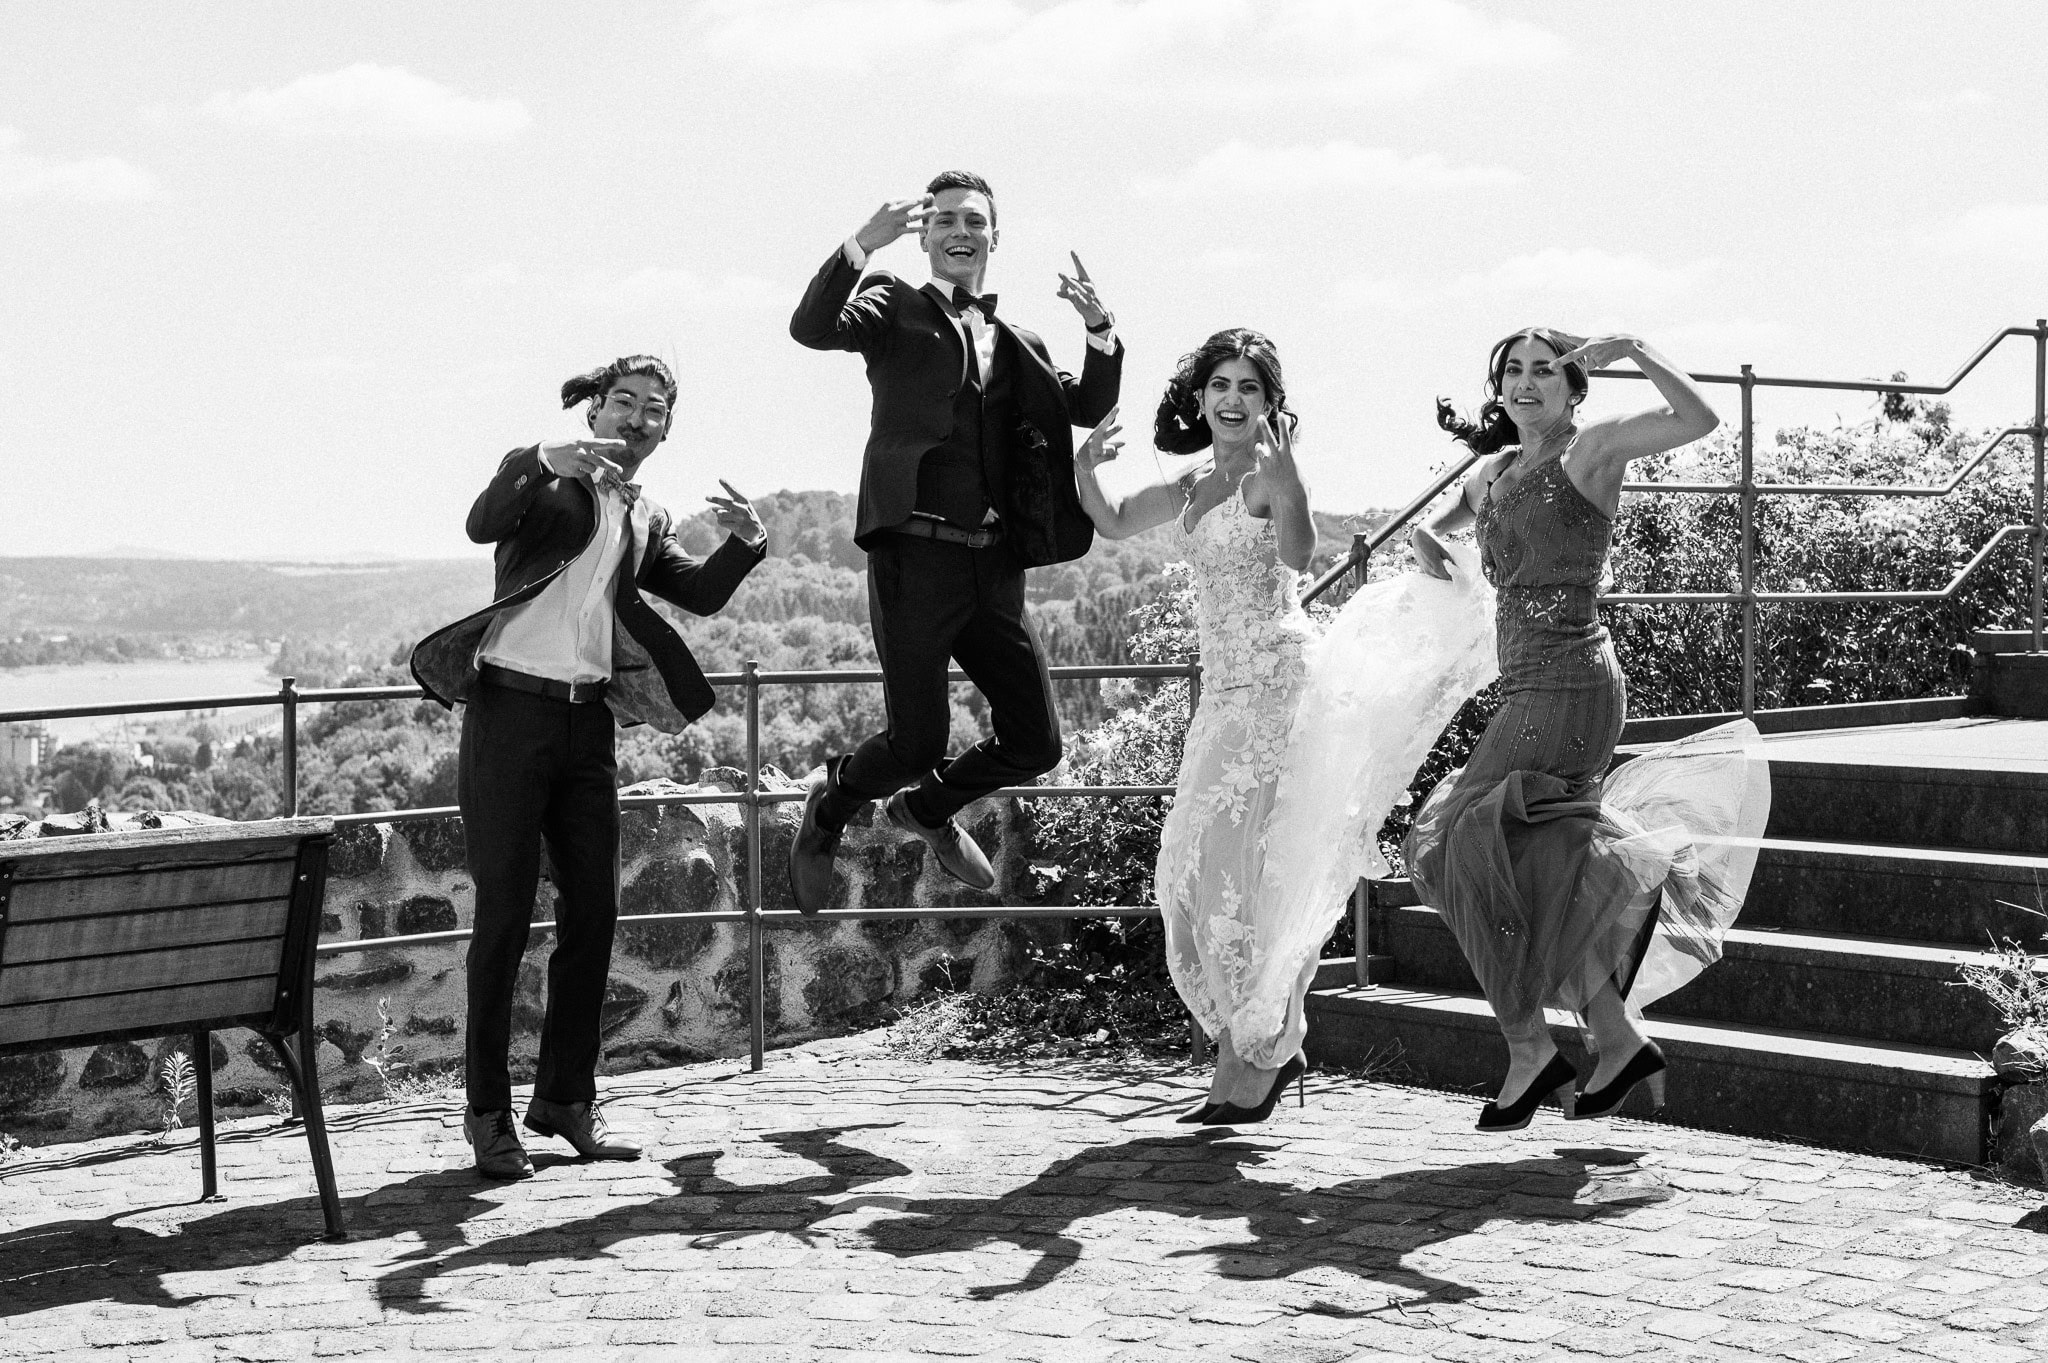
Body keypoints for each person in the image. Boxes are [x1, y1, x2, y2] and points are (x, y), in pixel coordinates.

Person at [411, 355, 767, 1179]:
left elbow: (698, 592)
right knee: (504, 917)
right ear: (596, 410)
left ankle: (566, 1098)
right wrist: (542, 457)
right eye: (624, 402)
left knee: (597, 912)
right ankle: (487, 1113)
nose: (637, 417)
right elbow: (480, 521)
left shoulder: (645, 516)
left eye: (655, 408)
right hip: (508, 714)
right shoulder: (547, 481)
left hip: (587, 727)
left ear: (665, 429)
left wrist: (748, 542)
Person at [1406, 328, 1770, 1131]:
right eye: (1513, 370)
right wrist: (1426, 536)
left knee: (1452, 839)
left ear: (1573, 390)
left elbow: (1700, 418)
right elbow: (1450, 517)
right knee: (1537, 859)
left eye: (1545, 370)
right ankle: (1615, 1036)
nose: (1526, 382)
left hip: (1571, 681)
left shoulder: (1591, 450)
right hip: (1523, 683)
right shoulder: (1496, 471)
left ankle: (1529, 1048)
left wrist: (1634, 346)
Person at [786, 170, 1121, 914]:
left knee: (1036, 742)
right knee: (914, 743)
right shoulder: (889, 305)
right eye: (944, 220)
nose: (959, 231)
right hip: (913, 554)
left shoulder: (1020, 341)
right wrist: (860, 246)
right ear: (925, 236)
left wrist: (1100, 330)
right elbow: (811, 328)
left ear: (994, 237)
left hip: (994, 563)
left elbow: (1087, 402)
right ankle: (831, 805)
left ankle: (926, 808)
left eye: (974, 220)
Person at [1071, 328, 1317, 1125]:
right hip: (1222, 694)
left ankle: (1251, 1058)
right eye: (1221, 385)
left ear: (1269, 402)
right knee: (1189, 869)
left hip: (1276, 688)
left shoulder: (1270, 475)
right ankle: (1255, 1047)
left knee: (1242, 877)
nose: (1233, 399)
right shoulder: (1189, 485)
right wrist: (1083, 467)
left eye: (1249, 387)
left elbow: (1300, 555)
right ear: (1200, 397)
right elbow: (1113, 521)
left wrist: (1291, 488)